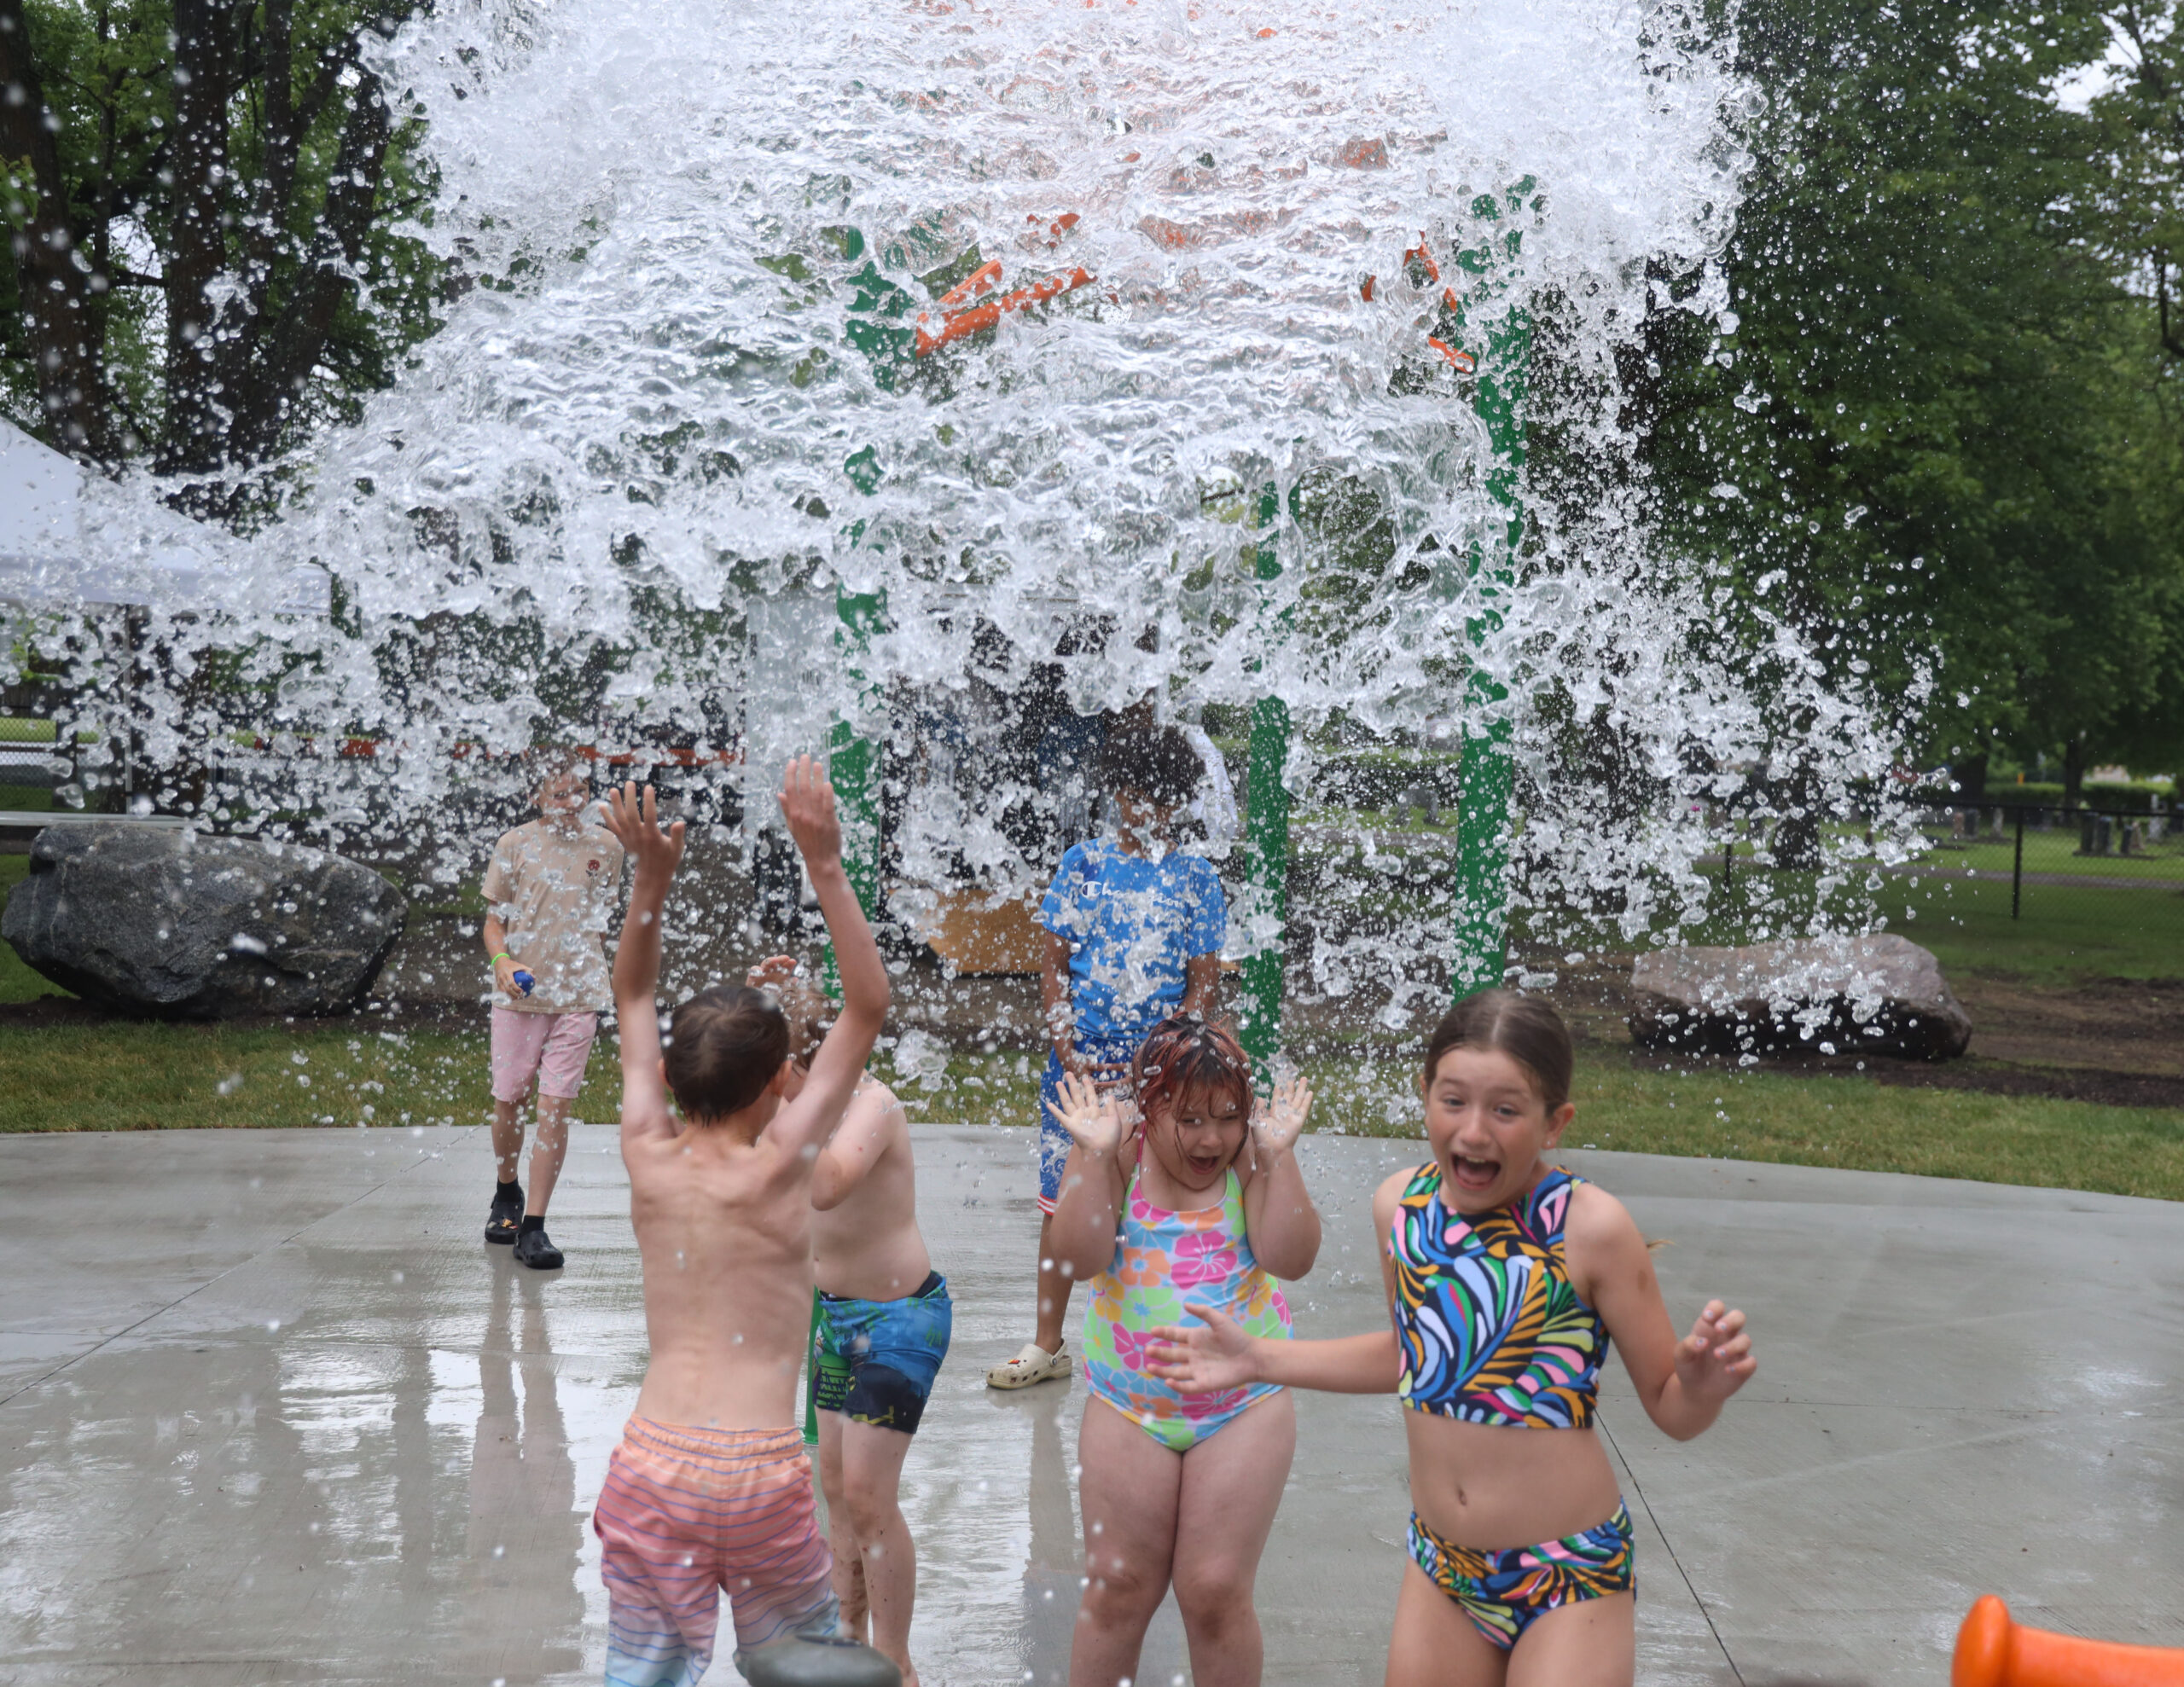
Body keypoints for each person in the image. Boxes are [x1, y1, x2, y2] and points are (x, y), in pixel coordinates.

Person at [1148, 992, 1758, 1685]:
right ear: (1424, 1095)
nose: (1474, 1132)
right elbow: (1419, 1357)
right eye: (1454, 1101)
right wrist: (1260, 1358)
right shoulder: (1400, 1209)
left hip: (1568, 1572)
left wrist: (1701, 1388)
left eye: (1505, 1110)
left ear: (1554, 1123)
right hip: (1443, 1570)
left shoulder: (1590, 1227)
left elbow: (1671, 1407)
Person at [590, 762, 889, 1686]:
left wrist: (650, 882)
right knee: (805, 1661)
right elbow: (867, 1007)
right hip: (759, 1471)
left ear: (669, 1082)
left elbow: (632, 998)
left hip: (652, 1466)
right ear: (775, 1088)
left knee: (643, 1671)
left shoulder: (648, 1147)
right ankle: (786, 1656)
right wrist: (824, 861)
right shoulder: (781, 1164)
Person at [1044, 1015, 1320, 1687]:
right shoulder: (1120, 1154)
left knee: (1216, 1590)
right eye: (1189, 1117)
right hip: (1128, 1404)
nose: (1210, 1138)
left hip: (1241, 1405)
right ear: (1150, 1105)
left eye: (1228, 1117)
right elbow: (1076, 1261)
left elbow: (1291, 1260)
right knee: (1115, 1585)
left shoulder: (1250, 1157)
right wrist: (1087, 1156)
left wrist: (1279, 1157)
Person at [988, 724, 1228, 1391]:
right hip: (1084, 1067)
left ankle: (1147, 1334)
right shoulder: (1083, 864)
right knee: (1063, 1205)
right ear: (1117, 794)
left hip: (1160, 1071)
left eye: (1158, 798)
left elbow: (1202, 979)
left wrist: (1173, 1047)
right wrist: (1066, 1045)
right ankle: (1047, 1342)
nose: (1143, 809)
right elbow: (1054, 965)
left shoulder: (1196, 878)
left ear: (1179, 802)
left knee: (1152, 1204)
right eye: (1132, 794)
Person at [750, 956, 949, 1687]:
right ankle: (846, 1634)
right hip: (837, 1321)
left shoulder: (872, 1104)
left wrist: (781, 1103)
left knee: (868, 1501)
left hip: (901, 1320)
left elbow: (829, 1186)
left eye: (779, 1073)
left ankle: (897, 1664)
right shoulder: (789, 1110)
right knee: (834, 1489)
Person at [480, 748, 625, 1270]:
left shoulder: (607, 846)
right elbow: (493, 923)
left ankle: (535, 1227)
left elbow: (598, 921)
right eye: (558, 793)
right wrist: (502, 960)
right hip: (520, 999)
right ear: (536, 797)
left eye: (578, 792)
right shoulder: (515, 844)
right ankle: (506, 1192)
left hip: (581, 998)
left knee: (554, 1107)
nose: (570, 803)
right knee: (509, 1099)